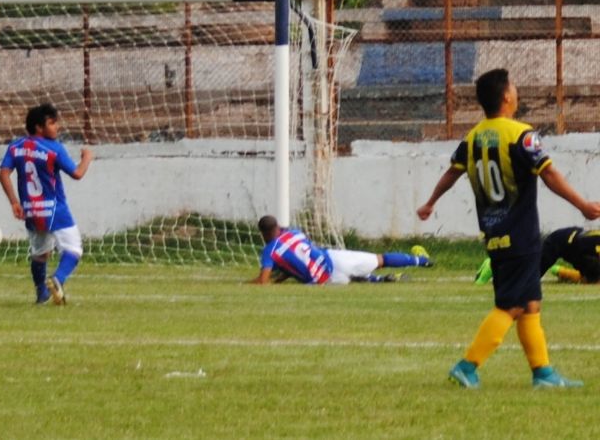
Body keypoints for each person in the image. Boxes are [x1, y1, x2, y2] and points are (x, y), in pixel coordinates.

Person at [416, 68, 600, 389]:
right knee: (511, 306)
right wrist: (583, 205)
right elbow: (549, 174)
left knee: (529, 304)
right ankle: (467, 365)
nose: (517, 91)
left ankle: (543, 373)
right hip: (520, 234)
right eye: (513, 87)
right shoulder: (521, 135)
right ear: (506, 96)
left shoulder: (473, 137)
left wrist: (430, 201)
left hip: (493, 233)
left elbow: (452, 173)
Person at [0, 103, 92, 305]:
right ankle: (58, 279)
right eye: (52, 123)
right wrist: (86, 158)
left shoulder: (15, 147)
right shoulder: (53, 149)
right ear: (39, 127)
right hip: (54, 209)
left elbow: (3, 173)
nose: (57, 127)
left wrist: (14, 202)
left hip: (31, 210)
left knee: (40, 254)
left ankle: (41, 294)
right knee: (74, 249)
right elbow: (77, 173)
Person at [250, 215, 432, 286]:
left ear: (263, 233)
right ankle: (422, 261)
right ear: (278, 227)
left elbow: (263, 281)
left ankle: (380, 280)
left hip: (327, 279)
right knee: (381, 259)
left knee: (352, 280)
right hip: (333, 258)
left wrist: (248, 283)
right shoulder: (295, 232)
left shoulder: (269, 251)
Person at [474, 226, 600, 285]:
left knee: (592, 277)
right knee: (527, 279)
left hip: (573, 245)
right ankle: (493, 264)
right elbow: (582, 243)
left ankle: (560, 271)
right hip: (558, 242)